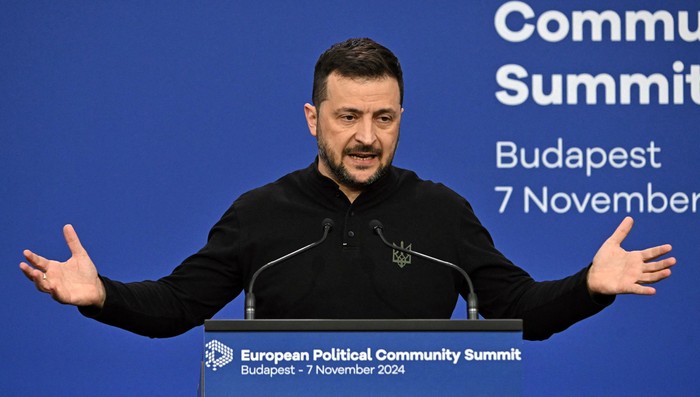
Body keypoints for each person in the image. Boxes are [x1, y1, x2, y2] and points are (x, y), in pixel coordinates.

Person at [19, 38, 675, 341]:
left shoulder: (442, 213)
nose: (367, 135)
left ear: (399, 119)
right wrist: (100, 295)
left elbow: (517, 309)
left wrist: (589, 285)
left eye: (383, 118)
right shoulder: (260, 214)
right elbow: (177, 304)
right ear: (314, 119)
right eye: (348, 116)